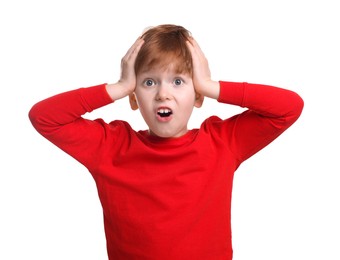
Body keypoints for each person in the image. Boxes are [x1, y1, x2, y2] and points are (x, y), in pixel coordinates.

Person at [29, 24, 304, 259]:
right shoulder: (110, 147)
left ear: (197, 97)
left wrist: (210, 85)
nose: (163, 94)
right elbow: (44, 117)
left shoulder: (222, 143)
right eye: (149, 83)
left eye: (178, 81)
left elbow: (289, 107)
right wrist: (118, 88)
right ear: (134, 98)